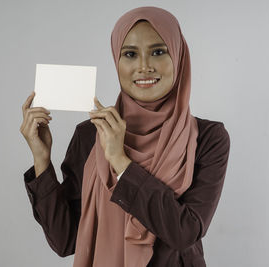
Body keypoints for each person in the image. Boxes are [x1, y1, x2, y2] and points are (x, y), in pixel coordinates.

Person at [20, 6, 230, 267]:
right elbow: (66, 241)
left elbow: (183, 231)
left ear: (178, 56)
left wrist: (120, 161)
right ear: (116, 62)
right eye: (130, 54)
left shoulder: (208, 139)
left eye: (158, 51)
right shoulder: (89, 136)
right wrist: (41, 160)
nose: (144, 66)